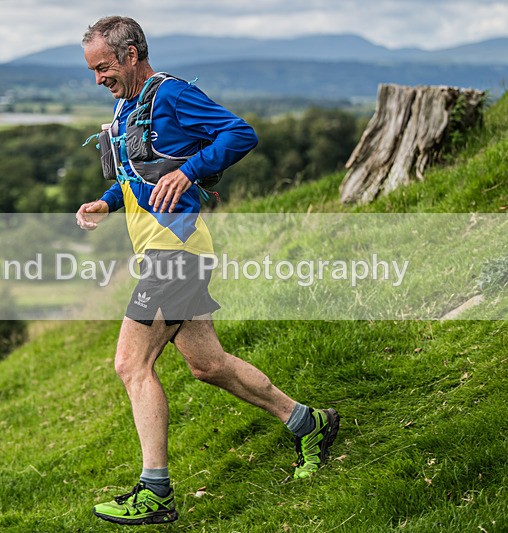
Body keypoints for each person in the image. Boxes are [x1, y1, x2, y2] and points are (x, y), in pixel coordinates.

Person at [76, 16, 339, 526]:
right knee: (208, 365)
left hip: (175, 253)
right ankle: (309, 424)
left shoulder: (171, 95)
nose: (98, 79)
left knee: (131, 364)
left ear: (131, 55)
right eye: (92, 70)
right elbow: (137, 173)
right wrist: (107, 202)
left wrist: (190, 170)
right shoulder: (127, 105)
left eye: (103, 67)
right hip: (165, 252)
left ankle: (155, 492)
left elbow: (241, 133)